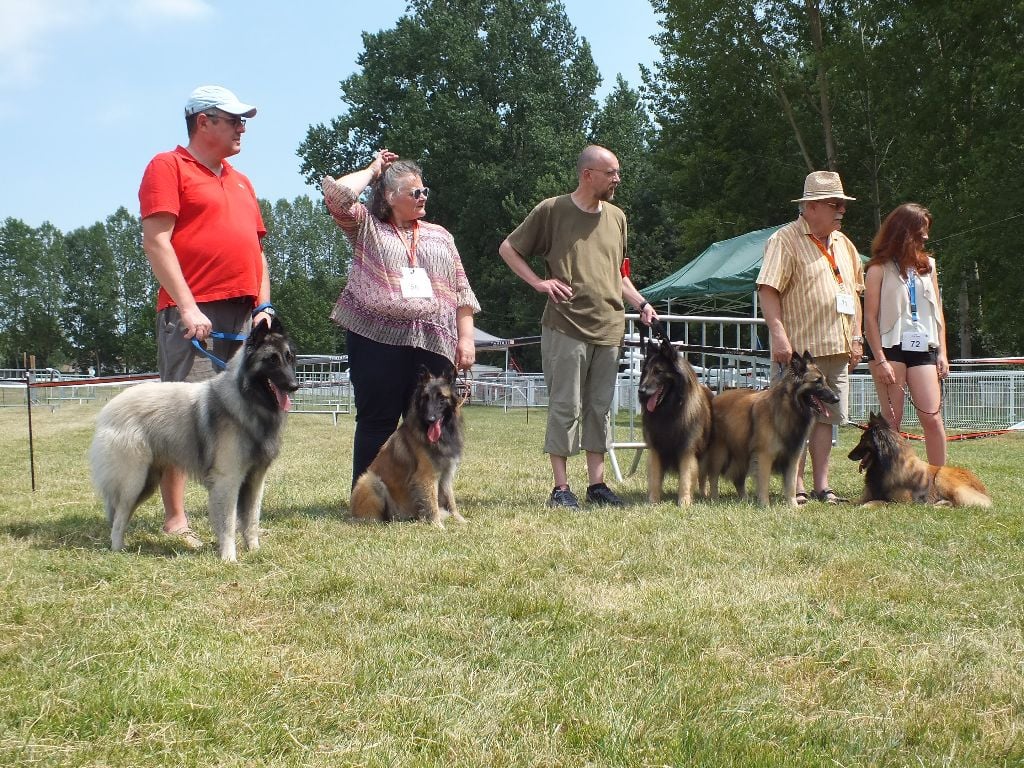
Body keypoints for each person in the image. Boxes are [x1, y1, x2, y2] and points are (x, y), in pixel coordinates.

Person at [139, 85, 273, 549]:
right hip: (193, 315)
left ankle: (236, 520)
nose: (242, 127)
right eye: (233, 118)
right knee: (182, 417)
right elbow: (157, 241)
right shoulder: (167, 166)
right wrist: (188, 305)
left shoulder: (241, 180)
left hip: (243, 316)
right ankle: (176, 519)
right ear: (203, 122)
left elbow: (257, 252)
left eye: (243, 119)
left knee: (240, 416)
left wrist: (264, 306)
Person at [499, 145, 657, 509]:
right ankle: (561, 488)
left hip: (609, 329)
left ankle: (596, 486)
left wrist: (642, 304)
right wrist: (539, 283)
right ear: (588, 175)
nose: (617, 179)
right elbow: (509, 248)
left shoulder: (618, 217)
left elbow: (617, 275)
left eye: (617, 172)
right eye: (611, 172)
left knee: (599, 409)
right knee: (565, 406)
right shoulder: (552, 210)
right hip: (565, 327)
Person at [322, 150, 480, 489]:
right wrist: (373, 169)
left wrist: (465, 339)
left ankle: (428, 497)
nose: (423, 197)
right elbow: (336, 196)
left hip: (434, 341)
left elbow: (462, 290)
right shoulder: (368, 227)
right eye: (414, 192)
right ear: (390, 197)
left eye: (425, 191)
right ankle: (367, 494)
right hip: (375, 339)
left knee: (432, 420)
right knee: (376, 420)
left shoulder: (441, 236)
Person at [757, 170, 865, 504]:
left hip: (837, 350)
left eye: (843, 205)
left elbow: (855, 292)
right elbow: (768, 288)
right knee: (795, 420)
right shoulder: (784, 239)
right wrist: (778, 335)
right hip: (800, 358)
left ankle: (822, 486)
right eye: (835, 204)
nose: (841, 212)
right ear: (812, 206)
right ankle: (796, 485)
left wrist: (857, 338)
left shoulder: (844, 244)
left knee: (826, 419)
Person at [863, 203, 949, 465]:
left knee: (932, 418)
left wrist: (943, 353)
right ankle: (890, 482)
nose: (925, 237)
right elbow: (869, 318)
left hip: (924, 348)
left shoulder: (929, 267)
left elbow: (938, 313)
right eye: (920, 231)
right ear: (903, 231)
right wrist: (880, 359)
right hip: (891, 349)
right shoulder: (878, 269)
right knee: (892, 421)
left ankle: (938, 481)